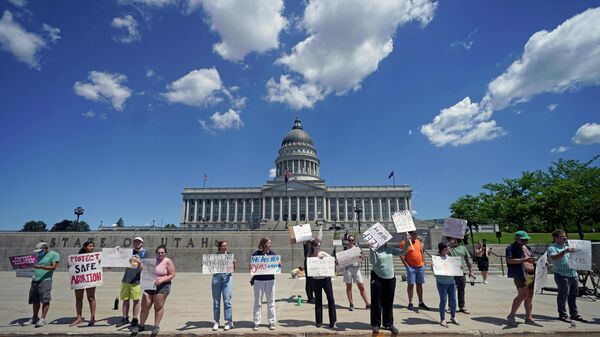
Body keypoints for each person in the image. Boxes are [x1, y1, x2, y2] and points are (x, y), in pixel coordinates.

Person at [369, 235, 410, 334]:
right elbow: (373, 262)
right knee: (377, 302)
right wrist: (371, 250)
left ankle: (389, 323)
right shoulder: (376, 250)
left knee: (388, 301)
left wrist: (407, 242)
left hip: (390, 278)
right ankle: (376, 324)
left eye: (385, 240)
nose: (385, 241)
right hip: (377, 277)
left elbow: (402, 252)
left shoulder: (390, 249)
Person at [547, 230, 587, 323]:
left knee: (573, 296)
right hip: (562, 275)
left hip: (573, 274)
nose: (565, 238)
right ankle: (563, 315)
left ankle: (574, 314)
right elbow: (553, 257)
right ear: (556, 238)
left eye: (565, 236)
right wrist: (564, 252)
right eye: (562, 236)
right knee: (563, 296)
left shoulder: (569, 246)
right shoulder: (552, 248)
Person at [134, 245, 176, 334]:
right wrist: (140, 264)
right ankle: (141, 325)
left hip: (163, 286)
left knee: (158, 306)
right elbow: (144, 270)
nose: (160, 254)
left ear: (165, 253)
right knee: (145, 305)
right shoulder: (152, 261)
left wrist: (162, 280)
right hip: (150, 284)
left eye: (162, 252)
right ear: (156, 253)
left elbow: (172, 274)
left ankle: (156, 326)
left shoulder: (167, 261)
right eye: (158, 252)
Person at [24, 241, 60, 327]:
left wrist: (40, 266)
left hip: (45, 280)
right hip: (35, 279)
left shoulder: (54, 255)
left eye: (40, 251)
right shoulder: (38, 255)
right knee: (35, 300)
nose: (39, 253)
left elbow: (53, 267)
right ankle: (34, 317)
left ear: (46, 248)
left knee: (45, 299)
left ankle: (42, 319)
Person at [505, 230, 536, 326]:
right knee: (522, 294)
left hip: (531, 274)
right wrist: (525, 260)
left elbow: (530, 260)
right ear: (516, 239)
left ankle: (528, 318)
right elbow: (510, 260)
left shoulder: (527, 248)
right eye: (523, 240)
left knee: (529, 296)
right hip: (520, 274)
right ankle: (511, 316)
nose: (525, 241)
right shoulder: (511, 248)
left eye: (526, 239)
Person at [308, 238, 337, 328]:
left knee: (330, 298)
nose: (319, 248)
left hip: (326, 279)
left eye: (320, 246)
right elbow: (309, 266)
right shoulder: (310, 256)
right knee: (318, 299)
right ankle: (318, 321)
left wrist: (328, 260)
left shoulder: (323, 253)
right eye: (317, 246)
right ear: (313, 246)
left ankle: (333, 321)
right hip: (316, 280)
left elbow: (333, 261)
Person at [117, 237, 146, 328]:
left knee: (136, 300)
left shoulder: (145, 253)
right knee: (125, 300)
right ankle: (125, 318)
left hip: (136, 280)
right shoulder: (129, 252)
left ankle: (134, 318)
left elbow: (146, 267)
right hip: (126, 279)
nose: (137, 243)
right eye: (135, 241)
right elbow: (118, 257)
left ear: (142, 243)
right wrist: (117, 250)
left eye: (139, 242)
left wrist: (140, 262)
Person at [251, 237, 277, 331]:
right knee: (258, 302)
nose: (269, 244)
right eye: (268, 243)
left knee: (271, 301)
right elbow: (252, 266)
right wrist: (251, 266)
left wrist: (279, 264)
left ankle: (271, 321)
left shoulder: (273, 254)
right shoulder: (256, 254)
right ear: (263, 244)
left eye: (270, 243)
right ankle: (256, 322)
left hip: (270, 280)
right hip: (258, 280)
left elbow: (276, 265)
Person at [400, 231, 429, 311]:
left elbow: (421, 252)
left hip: (420, 266)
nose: (417, 235)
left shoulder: (418, 241)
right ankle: (410, 302)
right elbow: (401, 255)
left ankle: (420, 302)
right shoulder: (404, 243)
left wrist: (424, 262)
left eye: (417, 234)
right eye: (415, 234)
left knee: (419, 284)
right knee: (411, 284)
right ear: (410, 234)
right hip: (411, 267)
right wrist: (407, 266)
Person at [70, 241, 97, 326]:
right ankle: (79, 317)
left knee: (91, 298)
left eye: (93, 246)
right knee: (78, 298)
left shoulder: (95, 257)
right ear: (85, 247)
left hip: (90, 279)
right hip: (79, 279)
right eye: (90, 246)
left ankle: (92, 318)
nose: (92, 248)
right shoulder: (77, 257)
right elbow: (70, 266)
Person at [433, 242, 459, 328]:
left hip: (451, 282)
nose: (448, 250)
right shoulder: (437, 259)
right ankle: (442, 319)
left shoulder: (450, 258)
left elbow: (455, 268)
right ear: (441, 250)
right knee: (443, 300)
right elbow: (435, 271)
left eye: (448, 249)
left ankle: (453, 316)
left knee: (453, 300)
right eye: (446, 249)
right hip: (441, 283)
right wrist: (433, 266)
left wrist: (459, 267)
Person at [212, 240, 235, 331]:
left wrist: (234, 263)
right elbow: (210, 268)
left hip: (227, 278)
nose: (225, 247)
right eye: (223, 245)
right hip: (216, 278)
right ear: (219, 247)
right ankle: (216, 321)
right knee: (216, 301)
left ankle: (229, 321)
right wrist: (205, 266)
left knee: (227, 300)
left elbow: (233, 270)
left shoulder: (230, 256)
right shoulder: (214, 257)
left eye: (226, 245)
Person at [447, 237, 475, 314]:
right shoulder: (448, 248)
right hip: (452, 273)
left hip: (462, 273)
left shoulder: (463, 248)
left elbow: (468, 260)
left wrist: (471, 271)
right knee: (452, 291)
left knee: (461, 290)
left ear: (457, 239)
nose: (452, 240)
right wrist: (448, 246)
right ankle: (451, 306)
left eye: (454, 239)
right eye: (450, 239)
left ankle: (462, 306)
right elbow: (440, 255)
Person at [342, 234, 370, 311]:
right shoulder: (345, 249)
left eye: (352, 240)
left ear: (354, 241)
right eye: (349, 240)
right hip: (348, 269)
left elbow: (363, 258)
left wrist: (361, 257)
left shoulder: (358, 249)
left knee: (361, 286)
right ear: (347, 241)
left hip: (356, 268)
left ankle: (367, 303)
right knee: (349, 287)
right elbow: (341, 260)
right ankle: (351, 303)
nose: (351, 241)